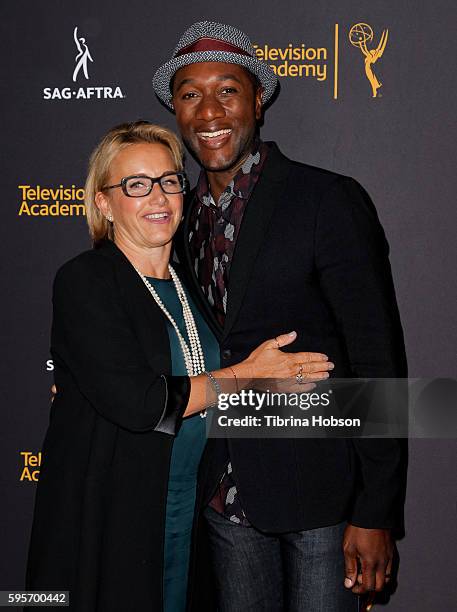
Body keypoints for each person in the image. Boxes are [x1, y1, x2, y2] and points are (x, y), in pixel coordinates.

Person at [152, 21, 408, 611]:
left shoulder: (325, 200)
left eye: (227, 90)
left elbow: (379, 359)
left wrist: (376, 513)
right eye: (190, 94)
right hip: (222, 497)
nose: (209, 109)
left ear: (257, 102)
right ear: (177, 112)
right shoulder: (176, 219)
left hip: (321, 498)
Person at [25, 121, 332, 612]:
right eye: (136, 185)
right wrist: (250, 373)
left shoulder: (193, 283)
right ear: (103, 203)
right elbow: (141, 403)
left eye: (169, 181)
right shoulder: (86, 281)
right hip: (112, 516)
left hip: (188, 513)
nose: (158, 197)